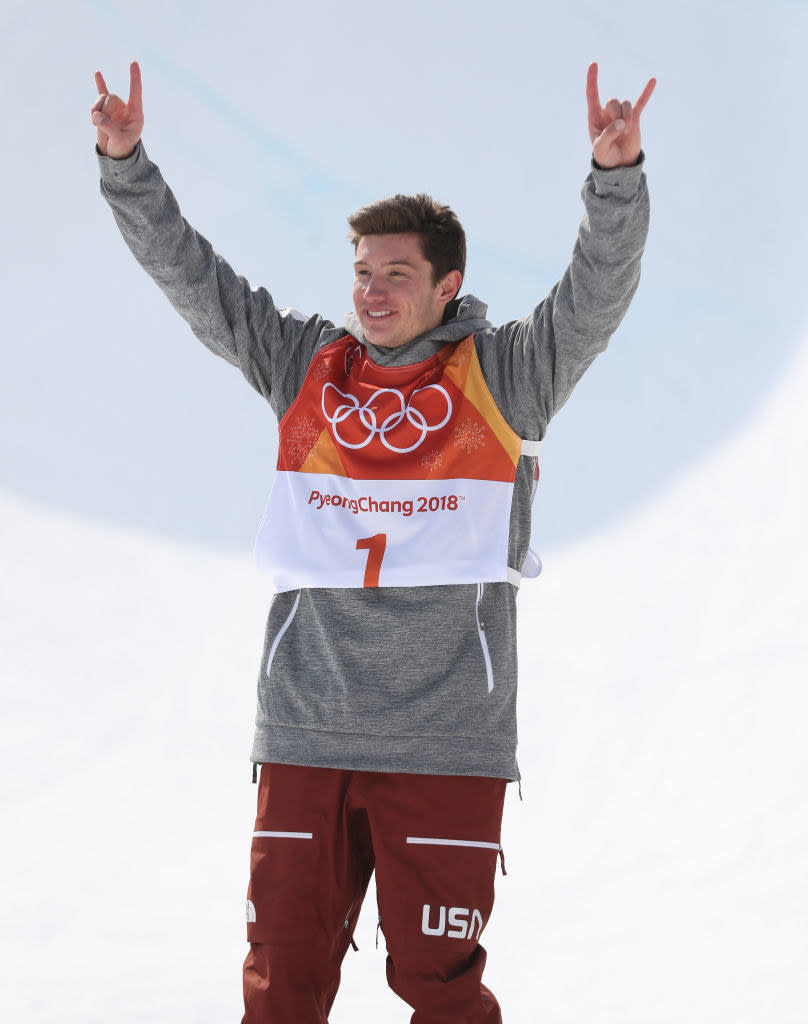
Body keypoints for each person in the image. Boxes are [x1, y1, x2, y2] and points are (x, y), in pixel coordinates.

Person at [91, 59, 654, 1023]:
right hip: (307, 729)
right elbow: (198, 282)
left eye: (398, 274)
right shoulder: (308, 365)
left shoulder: (504, 375)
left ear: (449, 284)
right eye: (363, 273)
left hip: (445, 744)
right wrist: (125, 162)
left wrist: (616, 184)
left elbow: (593, 298)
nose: (375, 292)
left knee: (440, 993)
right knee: (281, 989)